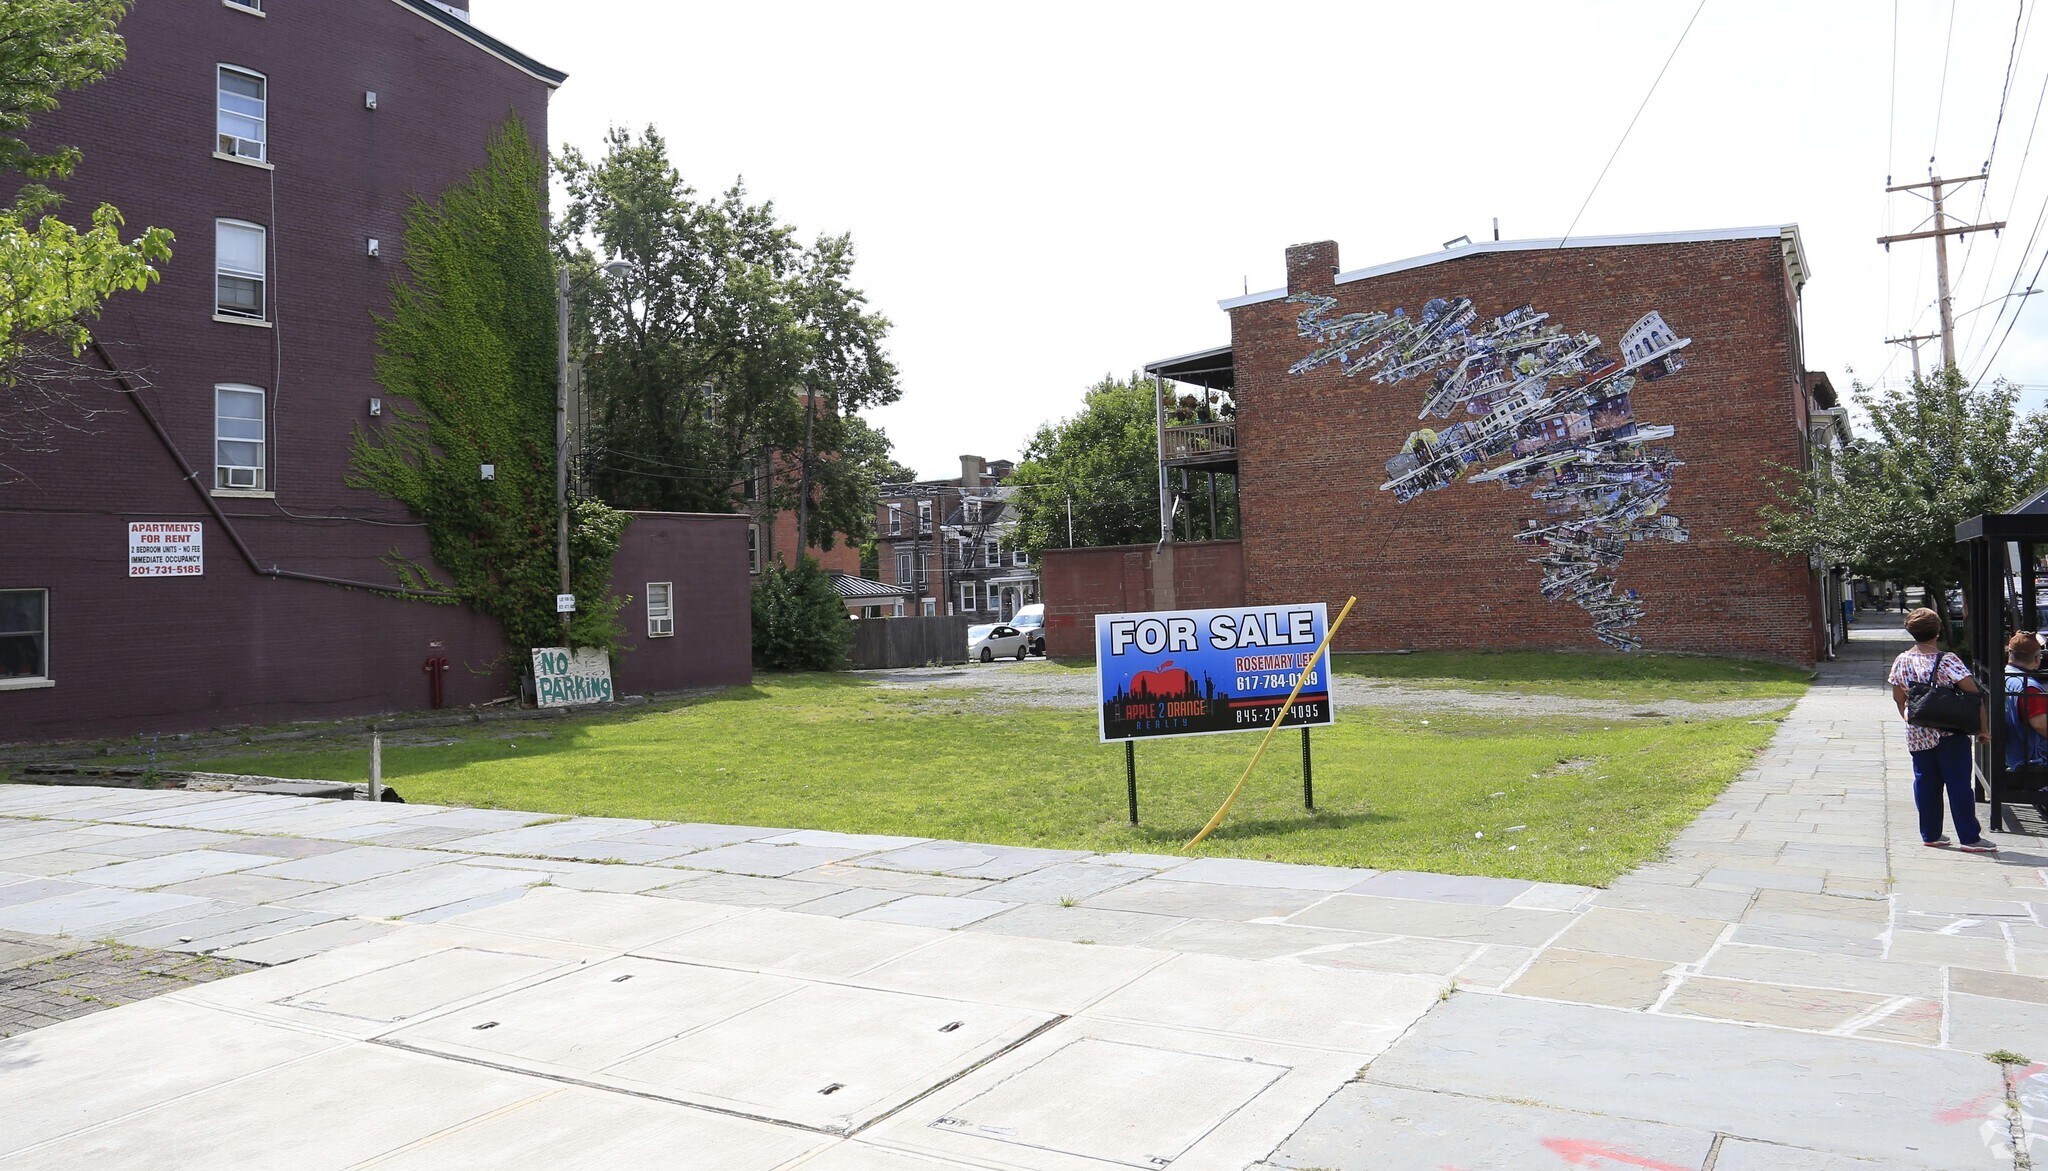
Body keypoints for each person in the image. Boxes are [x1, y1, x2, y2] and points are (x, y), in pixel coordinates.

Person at [1888, 608, 1995, 851]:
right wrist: (1983, 729)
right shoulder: (1947, 660)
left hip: (1917, 734)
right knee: (1958, 785)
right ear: (1937, 632)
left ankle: (1931, 833)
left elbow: (1898, 697)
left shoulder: (1901, 660)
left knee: (1925, 782)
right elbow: (1973, 694)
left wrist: (1910, 719)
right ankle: (1970, 838)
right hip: (1950, 732)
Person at [2004, 631, 2048, 771]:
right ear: (2036, 658)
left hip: (2013, 753)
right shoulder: (2029, 687)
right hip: (2035, 759)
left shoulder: (2007, 676)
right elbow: (2041, 725)